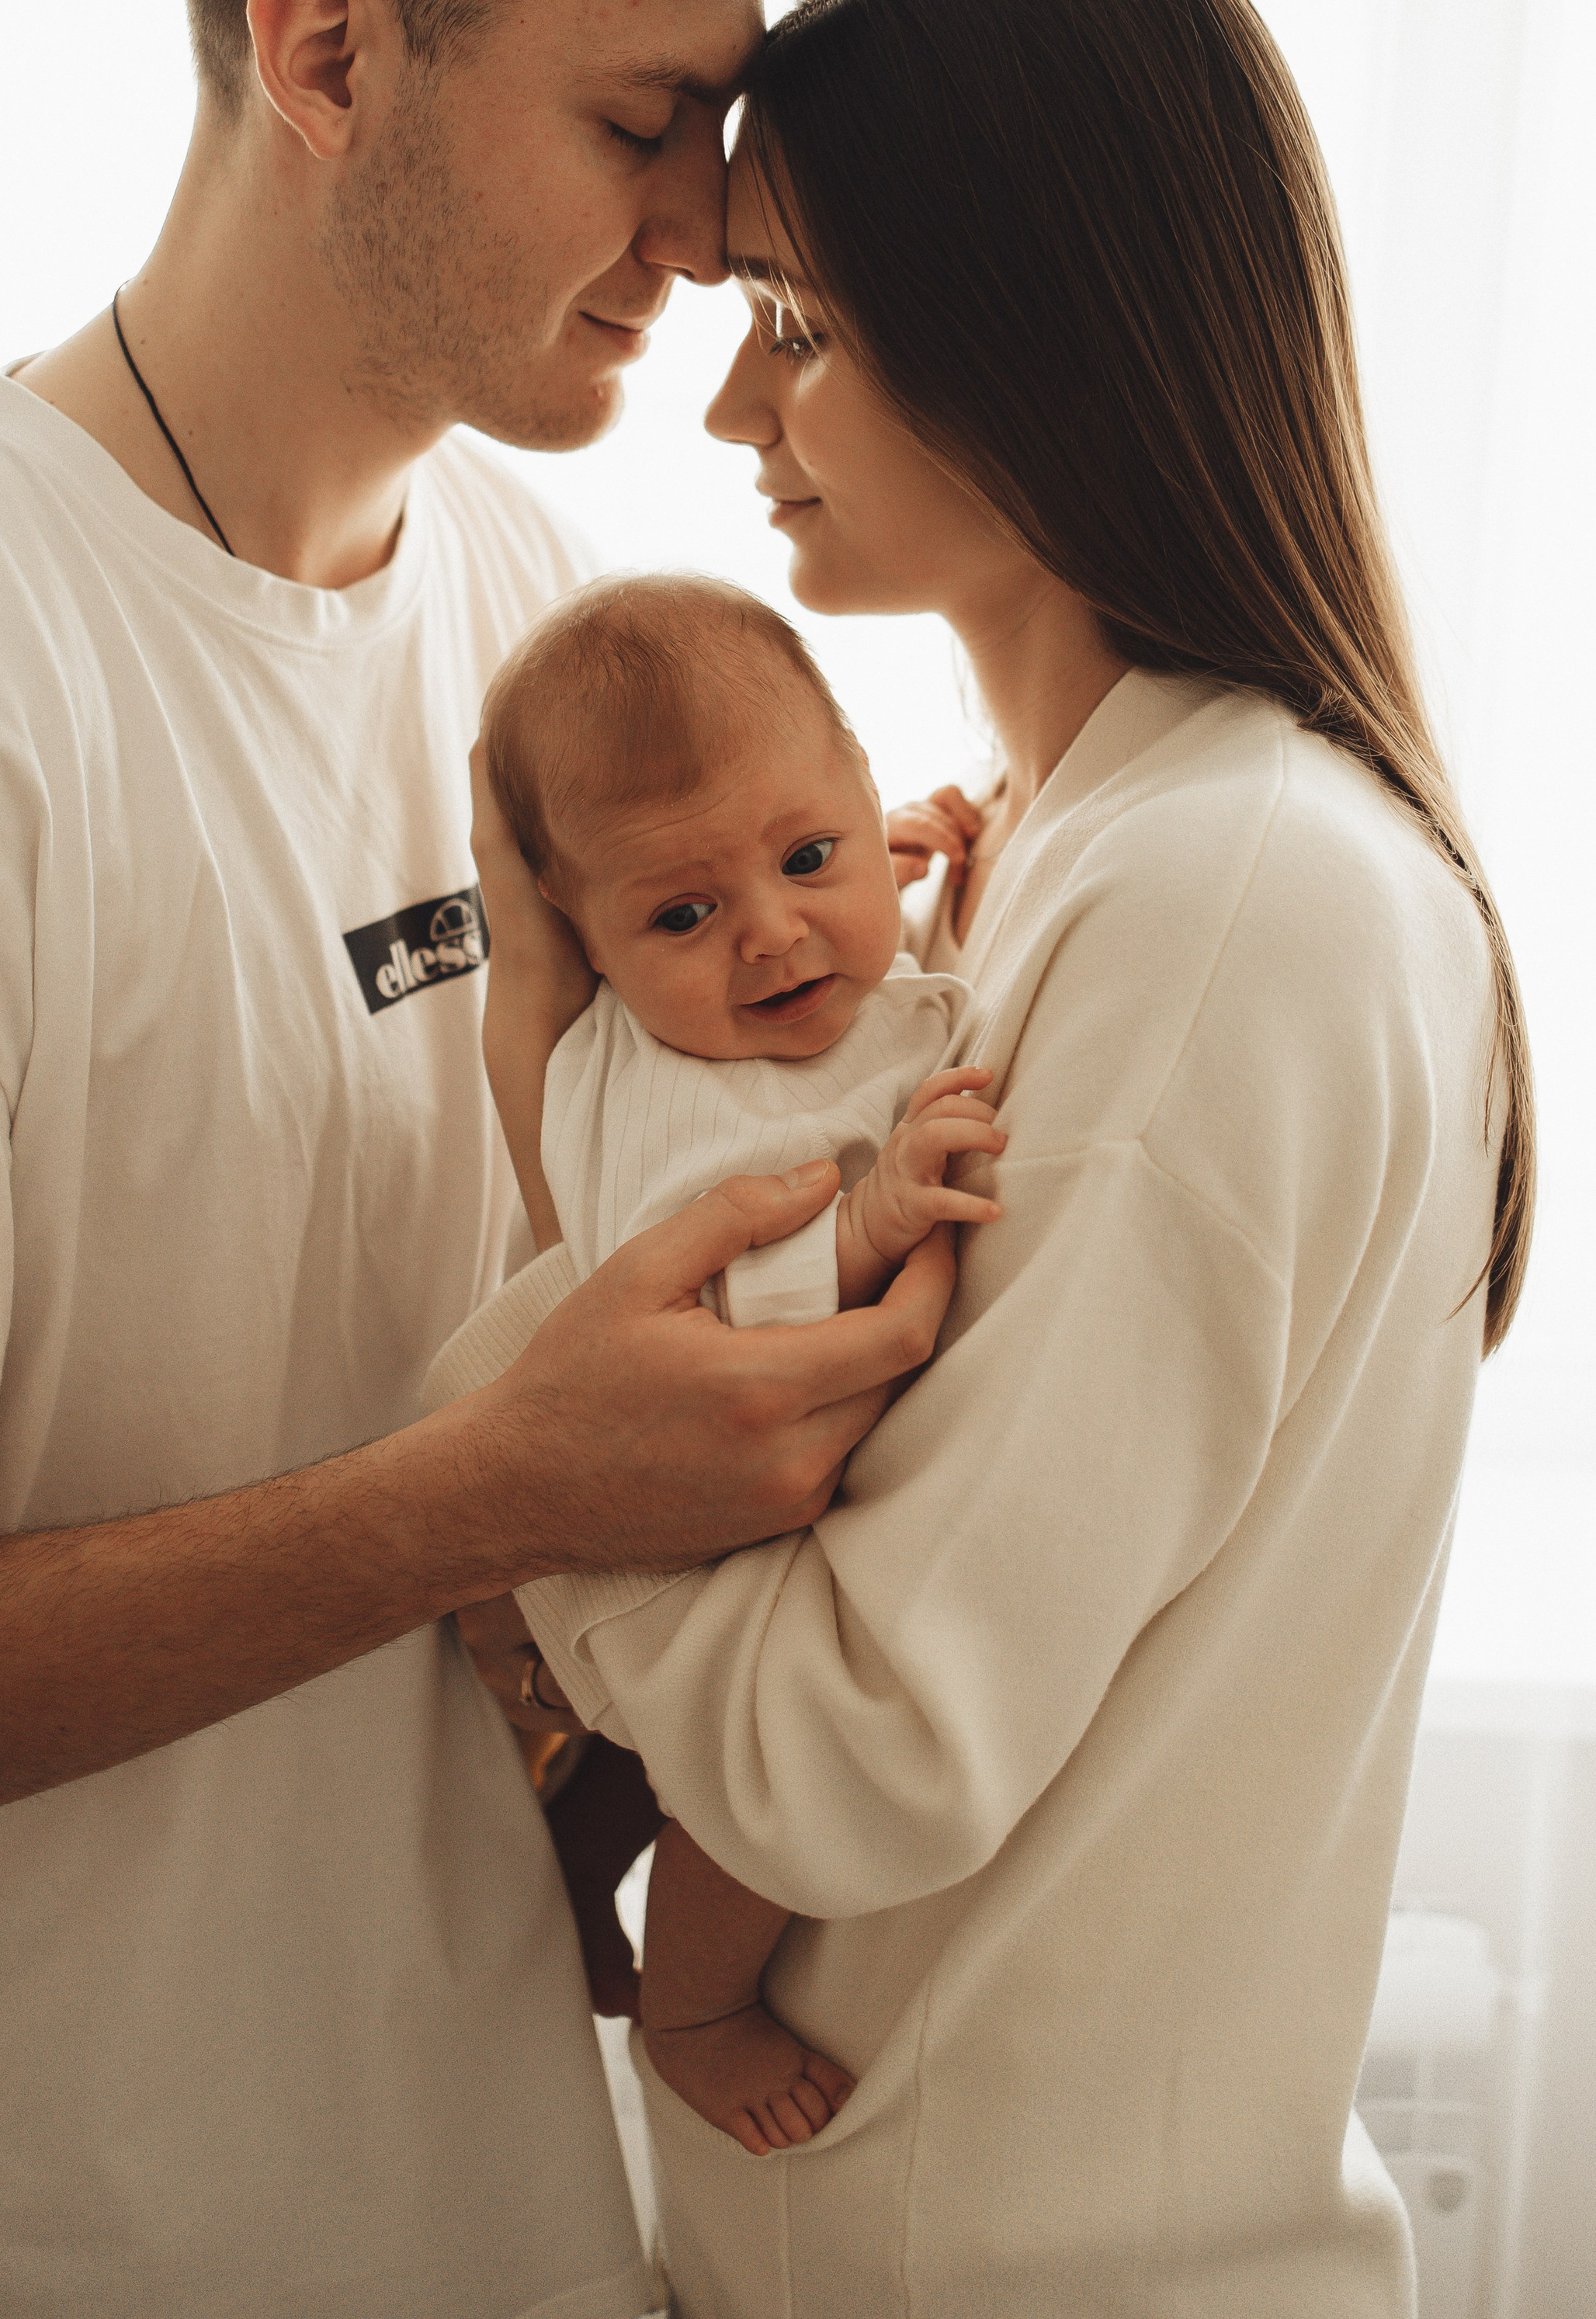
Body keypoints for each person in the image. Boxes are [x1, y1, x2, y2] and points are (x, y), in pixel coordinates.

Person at [0, 0, 953, 2319]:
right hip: (45, 2254)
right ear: (323, 54)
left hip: (512, 2211)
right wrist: (485, 1499)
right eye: (643, 117)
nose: (716, 218)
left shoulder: (537, 596)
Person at [450, 0, 1535, 2317]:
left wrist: (524, 1510)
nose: (733, 415)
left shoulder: (1228, 905)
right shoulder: (1049, 859)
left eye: (801, 333)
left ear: (1048, 354)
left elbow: (858, 1753)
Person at [456, 571, 1001, 2158]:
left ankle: (567, 1865)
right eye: (680, 917)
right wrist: (868, 1217)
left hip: (754, 1495)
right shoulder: (676, 1091)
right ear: (589, 946)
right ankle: (695, 2012)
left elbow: (848, 964)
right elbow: (683, 1307)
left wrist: (924, 871)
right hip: (681, 1513)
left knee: (651, 1760)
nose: (768, 937)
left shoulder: (800, 973)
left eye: (808, 854)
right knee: (759, 1776)